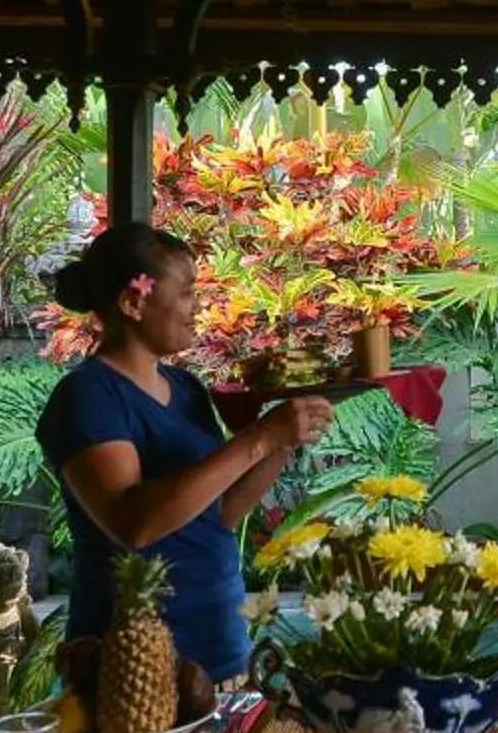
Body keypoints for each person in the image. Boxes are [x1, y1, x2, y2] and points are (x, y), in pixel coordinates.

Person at [35, 225, 331, 690]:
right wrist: (258, 438)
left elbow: (222, 513)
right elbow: (133, 523)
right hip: (130, 666)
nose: (198, 308)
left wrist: (283, 439)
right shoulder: (87, 397)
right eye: (188, 293)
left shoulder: (187, 388)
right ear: (133, 303)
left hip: (221, 648)